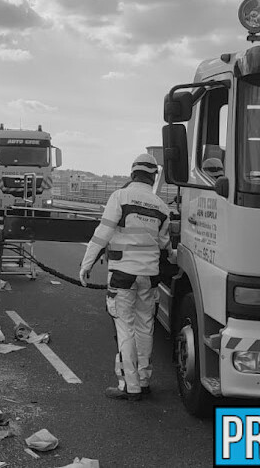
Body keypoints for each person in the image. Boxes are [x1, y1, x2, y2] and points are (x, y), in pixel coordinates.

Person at [79, 153, 173, 400]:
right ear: (153, 178)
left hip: (123, 275)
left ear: (132, 174)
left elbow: (103, 234)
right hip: (150, 277)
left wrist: (86, 264)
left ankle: (130, 387)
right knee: (145, 327)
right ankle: (143, 380)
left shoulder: (120, 197)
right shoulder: (162, 207)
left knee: (125, 328)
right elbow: (166, 245)